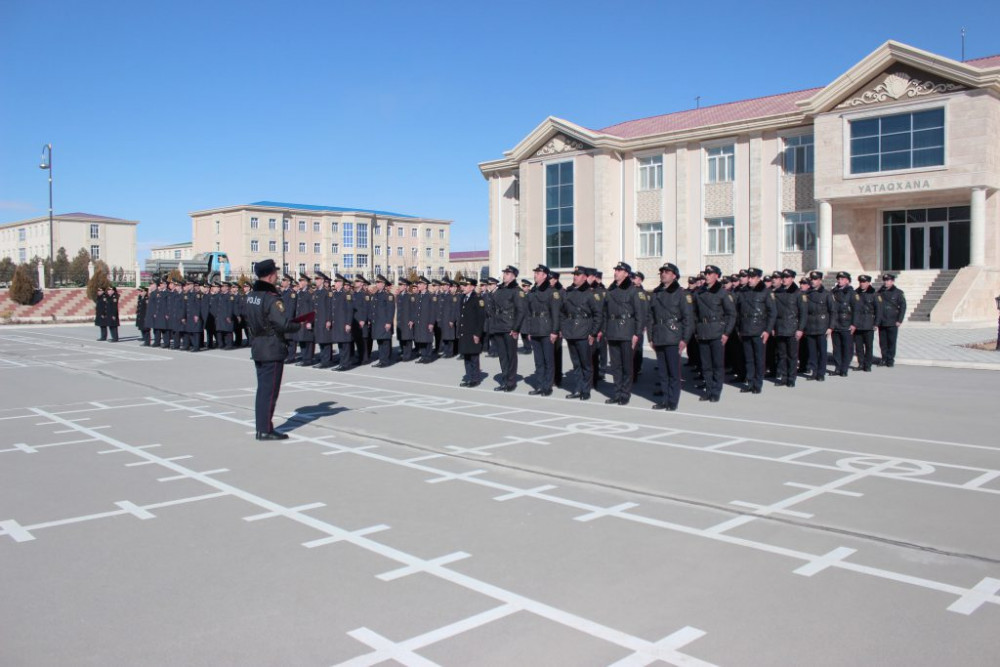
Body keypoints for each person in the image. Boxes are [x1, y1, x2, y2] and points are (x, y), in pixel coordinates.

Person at [245, 259, 301, 441]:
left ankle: (262, 427)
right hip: (272, 347)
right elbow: (282, 324)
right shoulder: (271, 298)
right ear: (270, 276)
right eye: (276, 274)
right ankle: (265, 430)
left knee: (262, 390)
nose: (277, 276)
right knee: (269, 392)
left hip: (258, 345)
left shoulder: (251, 296)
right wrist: (298, 325)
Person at [647, 263, 693, 411]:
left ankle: (673, 401)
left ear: (674, 276)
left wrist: (684, 339)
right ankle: (665, 399)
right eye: (662, 272)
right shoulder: (656, 293)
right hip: (659, 335)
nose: (663, 274)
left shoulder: (681, 294)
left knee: (673, 372)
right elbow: (650, 317)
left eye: (667, 272)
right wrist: (650, 337)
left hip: (673, 336)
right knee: (663, 372)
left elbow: (688, 319)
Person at [602, 261, 647, 405]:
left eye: (619, 270)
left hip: (627, 331)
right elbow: (605, 313)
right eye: (615, 270)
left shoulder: (633, 291)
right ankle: (617, 393)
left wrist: (637, 333)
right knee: (616, 366)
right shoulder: (610, 290)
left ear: (626, 274)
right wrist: (605, 331)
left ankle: (625, 394)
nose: (616, 272)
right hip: (612, 330)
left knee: (627, 365)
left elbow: (639, 314)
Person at [692, 265, 736, 402]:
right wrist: (696, 331)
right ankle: (709, 390)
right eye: (706, 273)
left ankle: (716, 392)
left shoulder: (722, 293)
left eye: (710, 273)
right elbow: (694, 314)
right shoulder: (699, 293)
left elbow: (731, 314)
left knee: (717, 365)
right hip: (703, 332)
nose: (707, 276)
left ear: (717, 276)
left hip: (717, 332)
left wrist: (726, 333)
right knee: (706, 365)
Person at [560, 266, 602, 401]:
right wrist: (563, 328)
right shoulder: (568, 292)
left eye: (578, 275)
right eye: (574, 274)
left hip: (584, 332)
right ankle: (578, 389)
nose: (575, 277)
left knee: (586, 364)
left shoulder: (590, 294)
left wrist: (593, 333)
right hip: (571, 331)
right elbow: (562, 312)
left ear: (584, 277)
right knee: (576, 363)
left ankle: (586, 390)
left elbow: (598, 315)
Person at [736, 268, 776, 394]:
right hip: (745, 329)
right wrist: (739, 329)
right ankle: (750, 382)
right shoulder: (743, 291)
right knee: (748, 359)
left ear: (758, 278)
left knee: (759, 359)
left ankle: (757, 384)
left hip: (759, 330)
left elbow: (772, 313)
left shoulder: (766, 292)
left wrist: (767, 330)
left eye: (752, 277)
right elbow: (738, 312)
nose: (750, 280)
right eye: (749, 277)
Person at [524, 264, 561, 396]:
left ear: (545, 275)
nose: (535, 275)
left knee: (548, 361)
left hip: (546, 329)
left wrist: (554, 331)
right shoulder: (533, 292)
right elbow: (529, 312)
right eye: (535, 273)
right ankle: (539, 385)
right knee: (538, 361)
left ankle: (547, 386)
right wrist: (529, 330)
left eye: (538, 273)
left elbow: (556, 313)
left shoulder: (552, 292)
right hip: (535, 329)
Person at [488, 266, 526, 392]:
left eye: (508, 273)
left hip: (509, 327)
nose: (505, 275)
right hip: (498, 326)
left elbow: (521, 311)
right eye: (504, 273)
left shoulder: (517, 291)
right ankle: (504, 380)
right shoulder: (499, 290)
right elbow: (492, 307)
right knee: (502, 356)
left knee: (511, 356)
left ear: (513, 276)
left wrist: (515, 328)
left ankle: (511, 382)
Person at [772, 269, 806, 387]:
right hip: (780, 327)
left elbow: (803, 313)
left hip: (792, 328)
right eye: (783, 277)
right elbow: (774, 312)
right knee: (782, 355)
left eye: (787, 277)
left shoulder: (798, 293)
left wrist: (800, 329)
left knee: (792, 355)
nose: (784, 279)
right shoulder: (777, 292)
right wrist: (773, 327)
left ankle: (791, 378)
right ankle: (784, 377)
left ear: (792, 278)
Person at [804, 270, 835, 381]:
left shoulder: (827, 294)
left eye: (815, 279)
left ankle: (821, 373)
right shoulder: (806, 294)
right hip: (810, 326)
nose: (813, 281)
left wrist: (830, 327)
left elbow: (832, 311)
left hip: (822, 326)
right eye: (811, 279)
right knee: (812, 351)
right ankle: (814, 371)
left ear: (820, 280)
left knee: (822, 351)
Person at [457, 278, 487, 387]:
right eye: (462, 285)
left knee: (474, 357)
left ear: (472, 287)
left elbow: (481, 318)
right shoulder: (463, 298)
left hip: (473, 333)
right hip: (464, 332)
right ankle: (469, 377)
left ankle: (475, 379)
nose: (463, 287)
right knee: (466, 356)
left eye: (465, 285)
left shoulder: (478, 299)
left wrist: (477, 334)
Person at [853, 275, 881, 372]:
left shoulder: (874, 294)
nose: (862, 284)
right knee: (858, 346)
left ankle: (868, 365)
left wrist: (876, 323)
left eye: (864, 282)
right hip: (857, 324)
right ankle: (861, 363)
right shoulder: (856, 293)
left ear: (868, 283)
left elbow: (878, 310)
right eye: (861, 282)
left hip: (869, 324)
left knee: (868, 346)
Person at [877, 273, 907, 367]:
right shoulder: (879, 292)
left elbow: (903, 307)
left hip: (893, 321)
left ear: (892, 281)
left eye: (888, 280)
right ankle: (883, 358)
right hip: (882, 321)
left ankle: (890, 360)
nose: (886, 282)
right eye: (885, 280)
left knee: (891, 342)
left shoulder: (898, 292)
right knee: (883, 342)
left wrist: (900, 320)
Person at [830, 271, 856, 377]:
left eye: (842, 279)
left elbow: (856, 310)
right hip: (835, 323)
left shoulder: (851, 293)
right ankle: (837, 367)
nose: (839, 281)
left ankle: (844, 368)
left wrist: (854, 324)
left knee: (847, 348)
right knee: (836, 348)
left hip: (846, 323)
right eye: (838, 279)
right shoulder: (833, 292)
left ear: (847, 281)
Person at [370, 275, 396, 367]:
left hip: (384, 323)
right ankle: (381, 360)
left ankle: (385, 361)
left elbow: (391, 310)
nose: (377, 284)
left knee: (385, 342)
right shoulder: (375, 295)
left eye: (379, 282)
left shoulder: (388, 296)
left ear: (383, 284)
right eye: (376, 282)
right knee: (380, 342)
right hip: (377, 323)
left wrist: (389, 322)